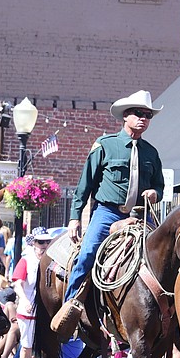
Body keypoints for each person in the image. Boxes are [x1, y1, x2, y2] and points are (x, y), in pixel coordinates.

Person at [51, 90, 165, 340]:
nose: (143, 119)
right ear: (126, 116)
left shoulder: (151, 153)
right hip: (108, 214)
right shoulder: (105, 145)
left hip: (140, 215)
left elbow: (159, 185)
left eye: (147, 115)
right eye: (138, 114)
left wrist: (155, 194)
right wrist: (74, 217)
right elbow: (85, 185)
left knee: (161, 258)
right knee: (87, 253)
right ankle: (70, 307)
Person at [8, 227, 55, 358]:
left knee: (49, 345)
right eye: (41, 242)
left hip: (47, 310)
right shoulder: (26, 260)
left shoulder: (53, 260)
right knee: (27, 346)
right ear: (33, 243)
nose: (44, 245)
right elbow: (17, 283)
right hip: (28, 310)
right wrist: (26, 300)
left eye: (47, 242)